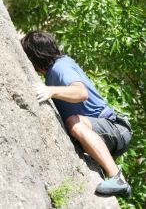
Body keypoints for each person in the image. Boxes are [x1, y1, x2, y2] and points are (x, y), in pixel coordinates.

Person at [21, 31, 132, 198]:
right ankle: (117, 176)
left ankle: (117, 178)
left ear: (34, 57)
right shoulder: (55, 70)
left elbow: (81, 93)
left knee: (74, 123)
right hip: (106, 130)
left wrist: (50, 91)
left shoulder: (60, 67)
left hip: (115, 127)